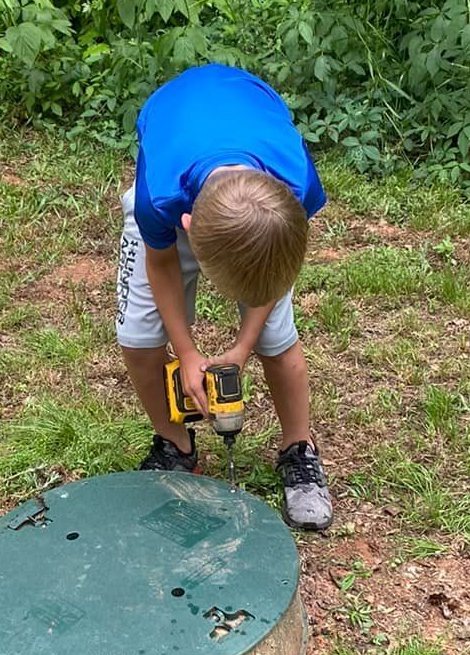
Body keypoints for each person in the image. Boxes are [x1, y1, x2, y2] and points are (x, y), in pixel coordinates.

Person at [115, 62, 333, 532]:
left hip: (255, 191)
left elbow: (271, 273)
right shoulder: (160, 201)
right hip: (177, 150)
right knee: (137, 336)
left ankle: (299, 448)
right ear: (187, 230)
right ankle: (175, 444)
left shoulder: (294, 187)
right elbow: (162, 263)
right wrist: (187, 352)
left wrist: (243, 346)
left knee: (277, 338)